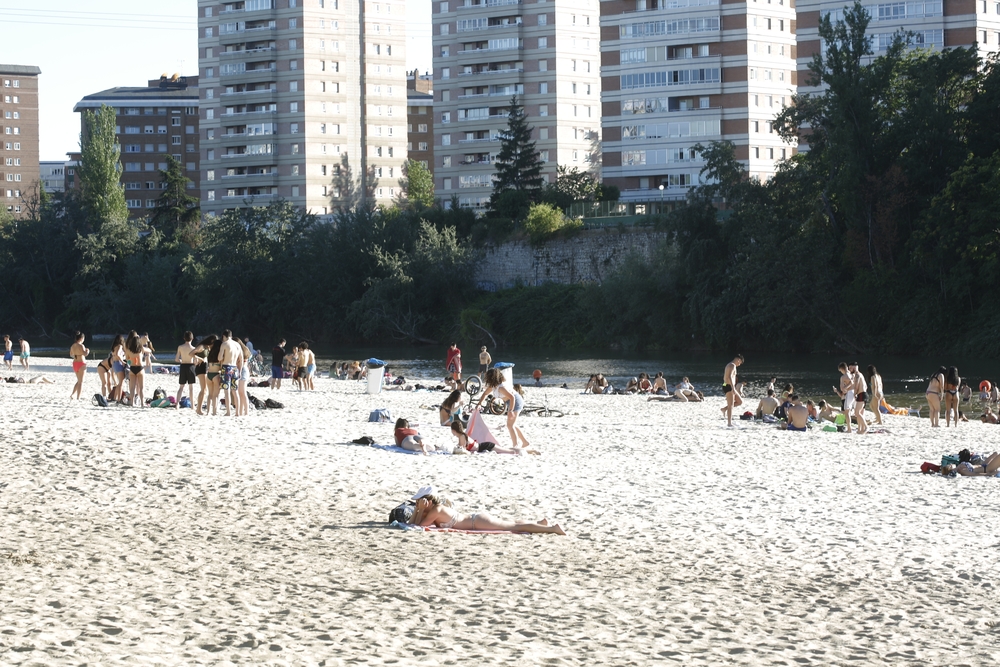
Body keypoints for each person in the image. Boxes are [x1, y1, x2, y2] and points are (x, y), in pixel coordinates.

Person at [408, 486, 564, 534]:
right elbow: (412, 523)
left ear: (427, 501)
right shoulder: (434, 509)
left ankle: (552, 529)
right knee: (513, 523)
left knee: (516, 527)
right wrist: (418, 510)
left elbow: (419, 526)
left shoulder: (437, 509)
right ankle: (540, 523)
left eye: (419, 501)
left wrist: (420, 510)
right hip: (476, 520)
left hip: (477, 522)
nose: (417, 504)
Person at [476, 367, 531, 450]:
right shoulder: (493, 386)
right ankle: (525, 442)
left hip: (516, 402)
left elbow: (512, 397)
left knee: (510, 426)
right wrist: (479, 404)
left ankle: (515, 446)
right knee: (512, 424)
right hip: (510, 402)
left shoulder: (501, 387)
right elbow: (485, 394)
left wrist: (510, 411)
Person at [450, 420, 538, 455]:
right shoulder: (462, 436)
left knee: (510, 451)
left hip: (486, 446)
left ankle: (531, 451)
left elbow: (462, 450)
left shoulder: (462, 436)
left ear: (454, 430)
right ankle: (531, 451)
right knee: (506, 449)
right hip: (484, 446)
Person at [192, 334, 217, 416]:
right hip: (201, 367)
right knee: (204, 389)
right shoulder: (201, 346)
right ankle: (198, 409)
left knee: (204, 389)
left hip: (204, 367)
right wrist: (200, 359)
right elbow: (191, 353)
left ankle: (199, 408)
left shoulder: (206, 347)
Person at [219, 330, 241, 417]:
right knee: (235, 391)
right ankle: (237, 412)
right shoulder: (237, 345)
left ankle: (228, 412)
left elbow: (219, 357)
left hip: (226, 367)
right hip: (234, 368)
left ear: (224, 336)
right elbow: (240, 357)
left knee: (227, 391)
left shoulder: (224, 344)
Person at [174, 331, 197, 409]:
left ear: (184, 338)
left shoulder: (180, 347)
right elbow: (195, 361)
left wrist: (181, 360)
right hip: (191, 367)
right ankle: (193, 405)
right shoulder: (194, 348)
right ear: (192, 339)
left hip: (183, 366)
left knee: (181, 387)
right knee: (191, 387)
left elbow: (176, 359)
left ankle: (177, 404)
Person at [124, 331, 146, 407]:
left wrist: (131, 362)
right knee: (141, 387)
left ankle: (132, 403)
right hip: (140, 368)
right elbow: (144, 354)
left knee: (132, 388)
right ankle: (142, 403)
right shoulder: (141, 349)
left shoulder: (128, 350)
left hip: (132, 368)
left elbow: (127, 359)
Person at [722, 354, 744, 427]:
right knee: (730, 405)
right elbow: (729, 376)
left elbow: (725, 377)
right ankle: (729, 423)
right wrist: (733, 388)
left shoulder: (729, 364)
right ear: (738, 359)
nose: (739, 364)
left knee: (739, 401)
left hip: (727, 385)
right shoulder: (732, 365)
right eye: (740, 363)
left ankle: (724, 409)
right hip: (729, 386)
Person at [832, 362, 854, 434]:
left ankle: (849, 429)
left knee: (846, 412)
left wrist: (844, 387)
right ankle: (849, 427)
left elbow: (842, 389)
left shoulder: (843, 377)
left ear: (842, 369)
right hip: (853, 393)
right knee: (848, 411)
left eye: (840, 371)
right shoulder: (852, 374)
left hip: (849, 393)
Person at [69, 331, 89, 400]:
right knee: (81, 382)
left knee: (79, 380)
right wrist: (87, 351)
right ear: (81, 338)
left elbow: (71, 354)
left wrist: (76, 354)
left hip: (75, 363)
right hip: (81, 363)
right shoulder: (81, 345)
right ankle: (78, 397)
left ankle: (73, 394)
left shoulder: (72, 346)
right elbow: (85, 354)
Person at [849, 362, 868, 435]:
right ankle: (860, 429)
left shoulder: (857, 375)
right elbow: (866, 386)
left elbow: (856, 386)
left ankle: (865, 427)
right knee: (861, 413)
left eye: (850, 368)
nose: (850, 370)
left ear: (854, 368)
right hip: (864, 394)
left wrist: (855, 394)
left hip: (861, 395)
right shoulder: (861, 374)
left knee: (857, 413)